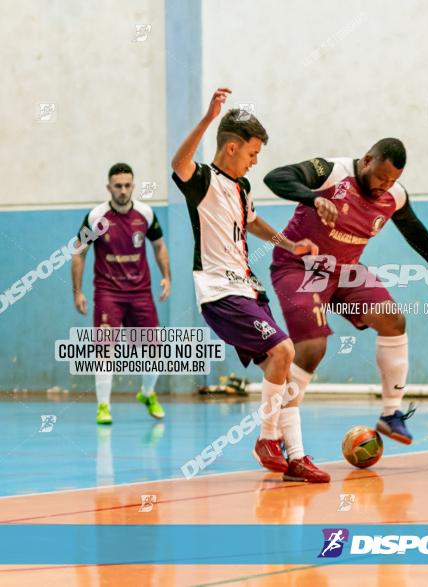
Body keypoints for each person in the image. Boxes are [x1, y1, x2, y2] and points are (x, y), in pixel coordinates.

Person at [263, 138, 428, 451]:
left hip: (344, 270)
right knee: (313, 348)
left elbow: (414, 229)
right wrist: (314, 198)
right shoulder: (331, 171)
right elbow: (275, 177)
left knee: (393, 320)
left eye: (393, 180)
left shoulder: (394, 195)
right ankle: (274, 433)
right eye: (381, 177)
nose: (386, 185)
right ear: (367, 159)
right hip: (299, 267)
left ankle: (391, 413)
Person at [171, 87, 326, 483]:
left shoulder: (241, 188)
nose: (256, 161)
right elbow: (178, 160)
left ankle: (296, 457)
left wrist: (290, 245)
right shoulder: (202, 179)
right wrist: (208, 119)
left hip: (247, 288)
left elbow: (252, 222)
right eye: (253, 153)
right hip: (220, 293)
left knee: (284, 366)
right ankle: (266, 440)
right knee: (284, 349)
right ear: (231, 148)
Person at [72, 163, 170, 425]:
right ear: (109, 188)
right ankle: (103, 406)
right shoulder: (96, 218)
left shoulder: (146, 214)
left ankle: (147, 394)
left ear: (133, 187)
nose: (123, 190)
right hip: (108, 293)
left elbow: (159, 246)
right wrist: (77, 291)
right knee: (105, 349)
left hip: (140, 293)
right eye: (118, 186)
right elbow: (78, 253)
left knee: (155, 350)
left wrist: (166, 277)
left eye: (127, 185)